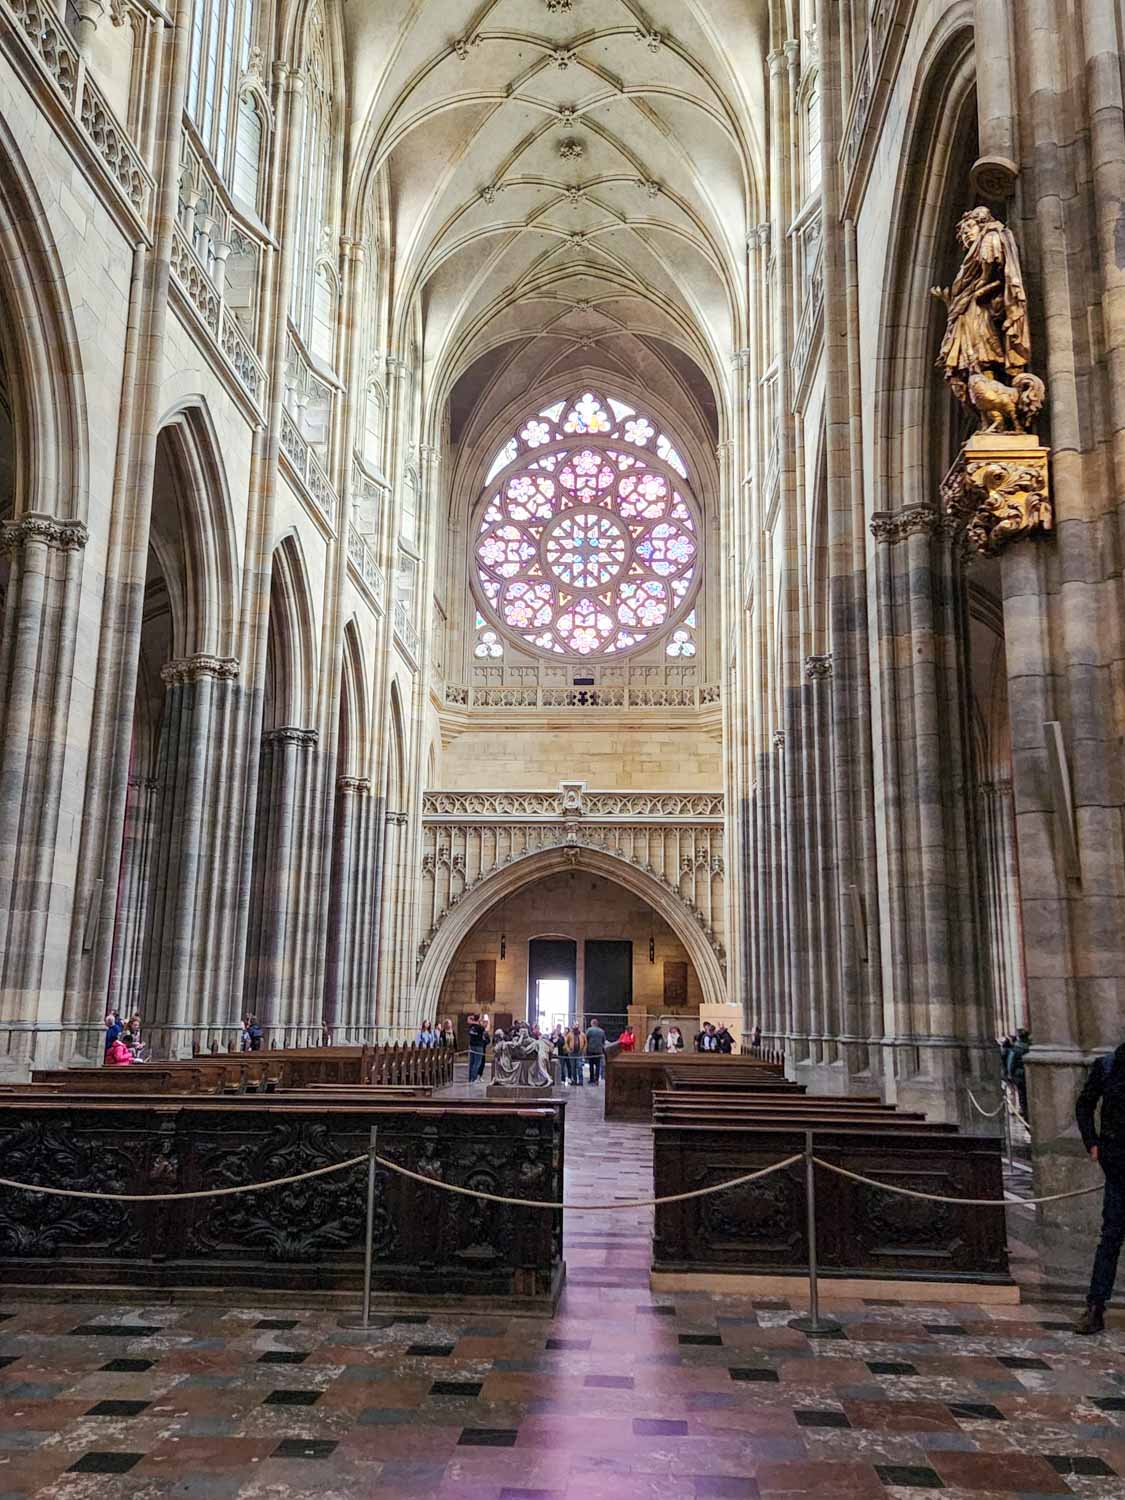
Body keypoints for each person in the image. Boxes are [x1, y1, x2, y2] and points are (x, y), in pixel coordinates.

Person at [1074, 1042, 1125, 1334]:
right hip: (1118, 1168)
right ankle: (1095, 1306)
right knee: (1110, 1239)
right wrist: (1092, 1143)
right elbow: (1084, 1104)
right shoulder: (1108, 1065)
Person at [1008, 1027, 1031, 1123]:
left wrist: (1010, 1074)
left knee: (1023, 1098)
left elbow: (1011, 1063)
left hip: (1020, 1076)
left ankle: (1027, 1119)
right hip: (1029, 1075)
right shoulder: (1030, 1047)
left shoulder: (1016, 1048)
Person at [467, 1012, 490, 1083]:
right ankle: (474, 1079)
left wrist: (472, 1017)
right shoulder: (480, 1028)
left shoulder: (471, 1027)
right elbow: (486, 1030)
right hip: (479, 1046)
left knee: (472, 1062)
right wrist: (489, 1021)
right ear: (479, 1019)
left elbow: (468, 1020)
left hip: (472, 1046)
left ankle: (470, 1078)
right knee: (477, 1063)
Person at [585, 1017, 606, 1084]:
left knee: (591, 1066)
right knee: (598, 1066)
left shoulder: (589, 1030)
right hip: (599, 1051)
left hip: (590, 1051)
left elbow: (586, 1040)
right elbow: (603, 1041)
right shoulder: (602, 1031)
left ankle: (591, 1079)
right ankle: (597, 1079)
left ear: (592, 1023)